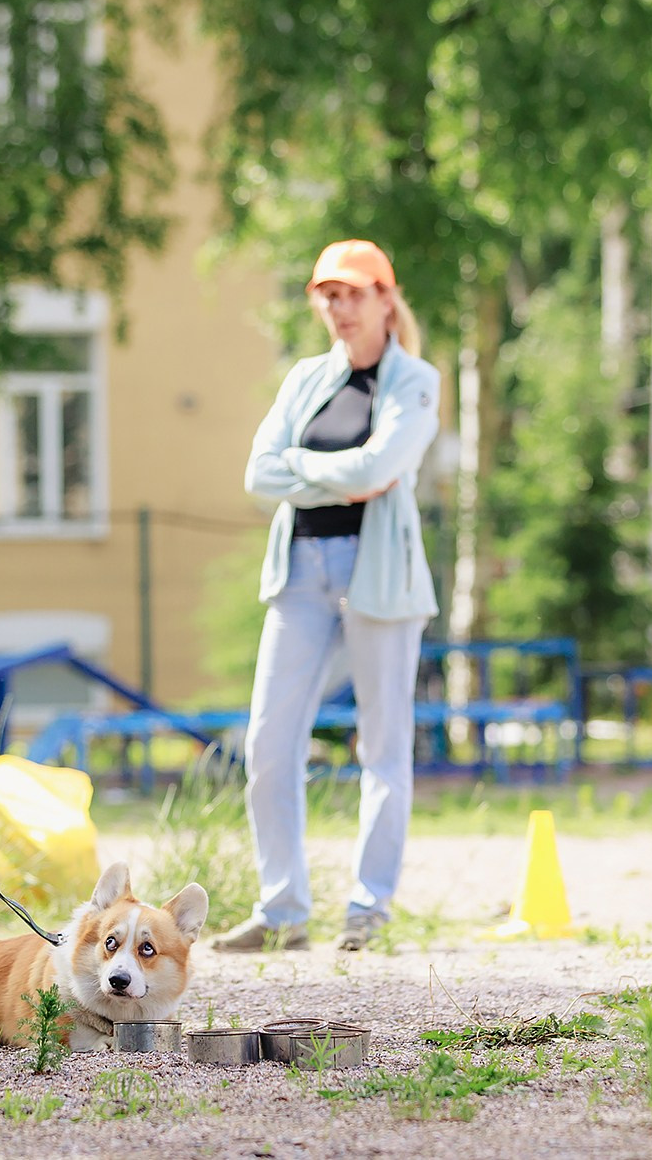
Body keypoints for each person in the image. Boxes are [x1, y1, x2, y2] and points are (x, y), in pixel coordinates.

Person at [213, 240, 441, 955]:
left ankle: (368, 910)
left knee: (383, 745)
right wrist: (342, 474)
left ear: (384, 297)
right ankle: (283, 911)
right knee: (269, 743)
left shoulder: (416, 381)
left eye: (351, 293)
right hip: (302, 569)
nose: (338, 307)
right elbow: (259, 473)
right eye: (327, 295)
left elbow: (383, 467)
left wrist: (304, 468)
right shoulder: (307, 378)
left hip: (378, 573)